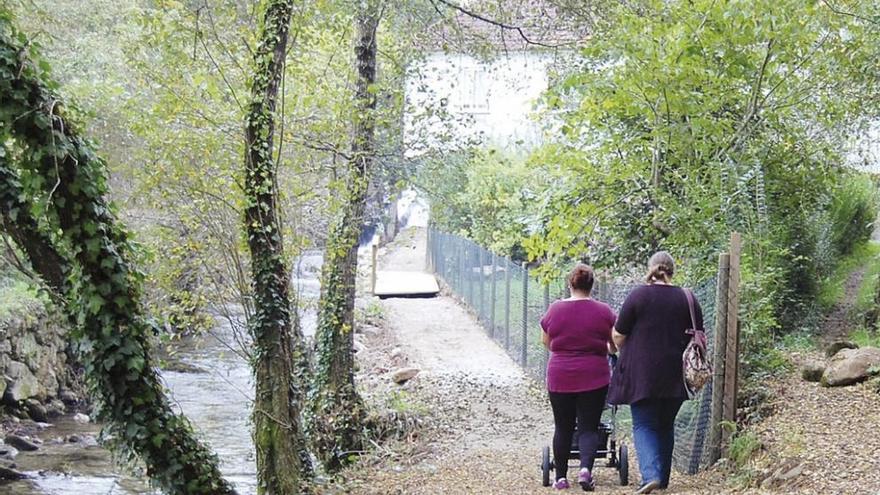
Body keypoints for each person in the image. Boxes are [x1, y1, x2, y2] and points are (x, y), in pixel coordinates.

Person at [608, 251, 704, 494]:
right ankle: (662, 479)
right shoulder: (688, 298)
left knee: (644, 424)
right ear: (672, 270)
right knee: (665, 424)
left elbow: (619, 335)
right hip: (677, 374)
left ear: (651, 268)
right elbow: (700, 335)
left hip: (642, 374)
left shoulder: (638, 295)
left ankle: (650, 475)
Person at [541, 263, 617, 491]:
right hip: (594, 376)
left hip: (560, 375)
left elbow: (546, 342)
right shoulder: (604, 311)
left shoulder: (555, 309)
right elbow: (613, 344)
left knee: (563, 427)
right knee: (588, 427)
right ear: (592, 285)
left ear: (570, 283)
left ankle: (561, 478)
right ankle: (585, 470)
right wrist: (605, 348)